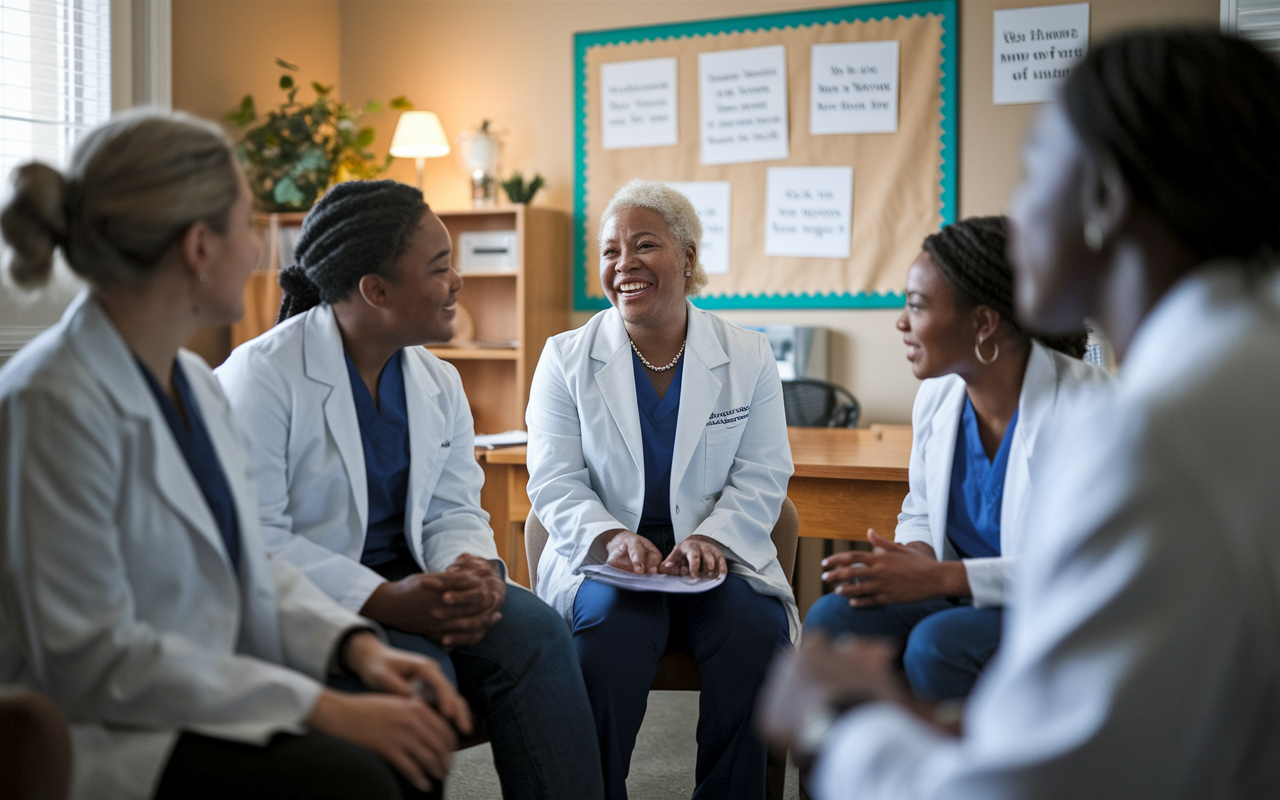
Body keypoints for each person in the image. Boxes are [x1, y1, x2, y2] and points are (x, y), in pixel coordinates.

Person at [757, 29, 1280, 799]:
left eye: (1034, 171)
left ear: (1104, 199)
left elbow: (1027, 789)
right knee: (848, 615)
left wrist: (840, 723)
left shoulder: (1148, 436)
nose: (1017, 213)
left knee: (925, 643)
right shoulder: (1243, 364)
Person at [0, 111, 469, 800]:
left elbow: (249, 564)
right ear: (198, 246)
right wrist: (322, 705)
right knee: (363, 777)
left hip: (201, 688)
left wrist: (355, 647)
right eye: (247, 225)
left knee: (406, 742)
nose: (260, 251)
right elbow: (92, 661)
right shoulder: (51, 405)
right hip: (102, 728)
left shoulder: (190, 380)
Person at [215, 179, 603, 800]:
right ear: (376, 290)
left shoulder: (436, 380)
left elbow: (453, 507)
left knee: (540, 635)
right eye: (440, 267)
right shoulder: (259, 378)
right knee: (421, 679)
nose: (458, 283)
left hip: (422, 575)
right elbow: (252, 540)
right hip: (320, 598)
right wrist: (388, 600)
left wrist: (470, 569)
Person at [525, 178, 795, 800]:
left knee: (754, 632)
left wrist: (711, 538)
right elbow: (555, 481)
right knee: (609, 631)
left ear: (689, 258)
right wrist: (610, 536)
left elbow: (763, 475)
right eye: (610, 251)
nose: (625, 265)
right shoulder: (564, 358)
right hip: (613, 562)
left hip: (716, 559)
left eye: (644, 245)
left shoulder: (748, 357)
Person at [803, 216, 1108, 701]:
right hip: (957, 593)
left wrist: (942, 576)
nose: (901, 322)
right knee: (833, 616)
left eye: (917, 305)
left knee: (938, 644)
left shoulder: (1091, 410)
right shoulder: (939, 395)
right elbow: (921, 508)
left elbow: (1091, 564)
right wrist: (916, 556)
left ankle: (958, 775)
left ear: (983, 322)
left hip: (1057, 608)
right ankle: (851, 774)